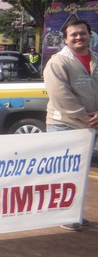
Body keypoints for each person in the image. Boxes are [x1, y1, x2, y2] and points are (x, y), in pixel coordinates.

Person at [43, 17, 98, 231]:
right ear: (65, 39)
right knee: (64, 173)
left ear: (89, 36)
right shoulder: (58, 62)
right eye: (73, 34)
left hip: (89, 126)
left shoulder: (95, 59)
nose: (78, 37)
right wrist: (86, 117)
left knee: (81, 173)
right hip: (64, 125)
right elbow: (60, 95)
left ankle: (74, 213)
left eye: (82, 33)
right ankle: (65, 216)